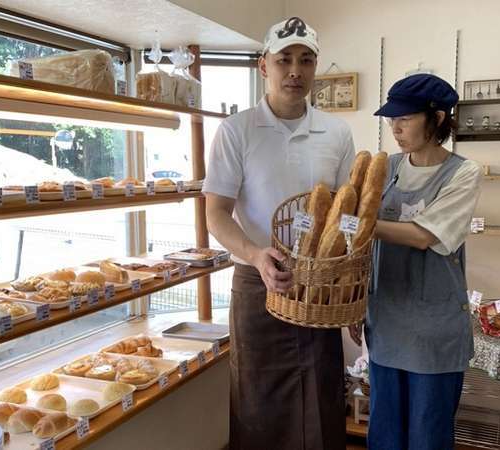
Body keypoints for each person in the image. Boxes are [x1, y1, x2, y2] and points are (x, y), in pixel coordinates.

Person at [203, 16, 356, 450]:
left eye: (306, 60)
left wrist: (348, 279)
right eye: (284, 59)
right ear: (263, 66)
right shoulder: (237, 131)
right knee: (258, 402)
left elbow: (348, 213)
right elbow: (215, 214)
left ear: (315, 67)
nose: (295, 70)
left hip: (318, 287)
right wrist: (254, 255)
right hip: (257, 285)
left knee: (322, 397)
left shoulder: (336, 131)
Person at [349, 73, 483, 450]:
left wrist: (364, 225)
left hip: (434, 331)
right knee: (385, 434)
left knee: (428, 436)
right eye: (392, 119)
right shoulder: (384, 169)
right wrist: (357, 305)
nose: (395, 127)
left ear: (437, 118)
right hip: (387, 320)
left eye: (405, 118)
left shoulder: (462, 174)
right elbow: (360, 249)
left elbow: (425, 236)